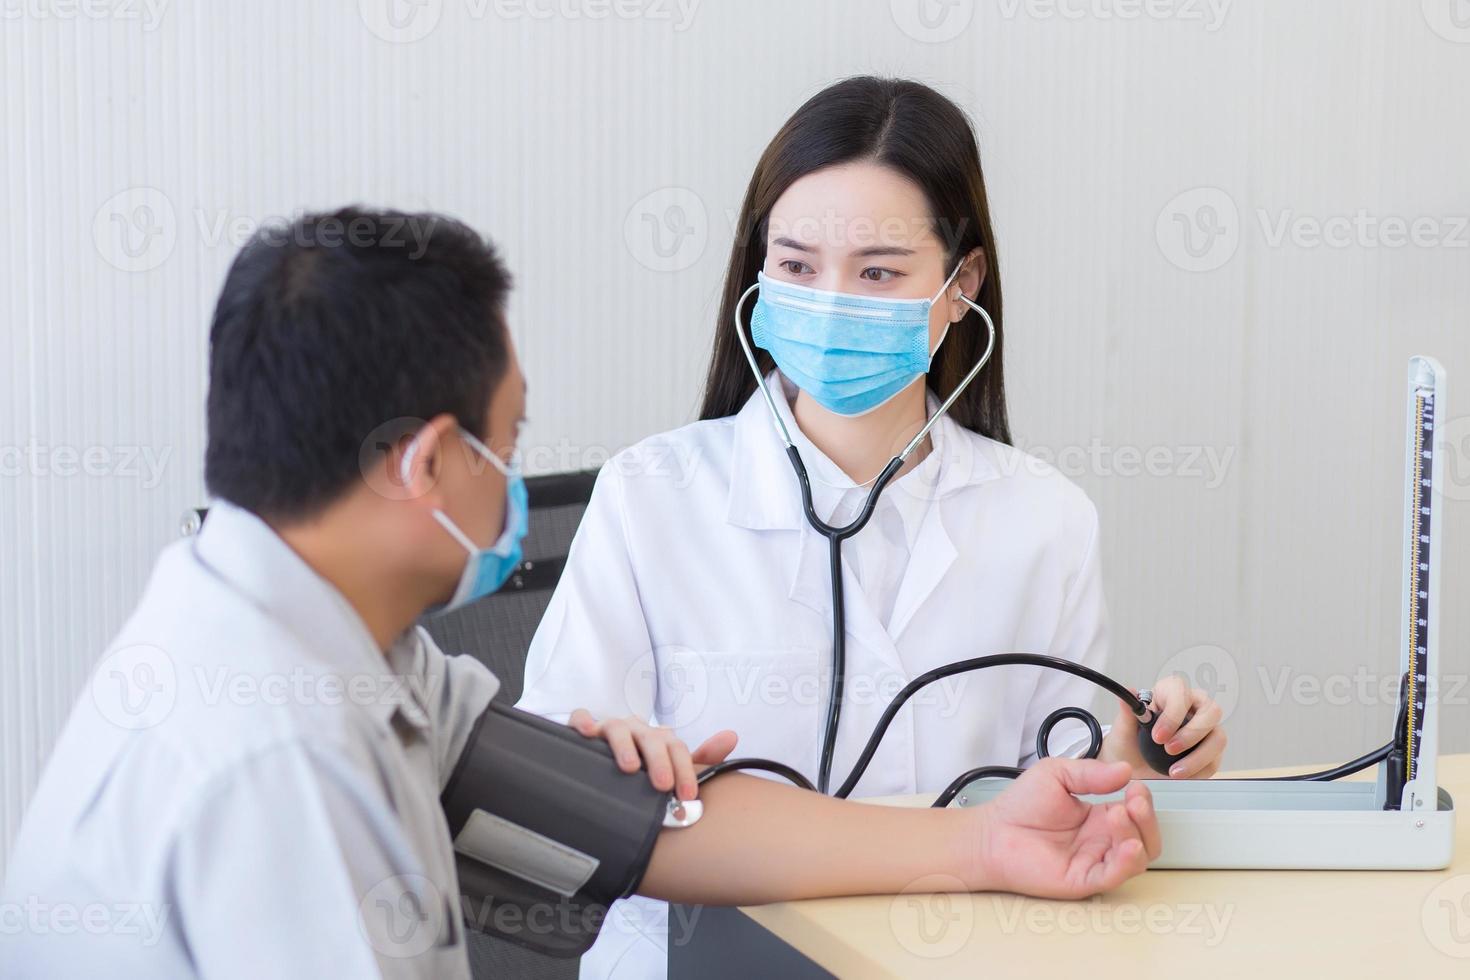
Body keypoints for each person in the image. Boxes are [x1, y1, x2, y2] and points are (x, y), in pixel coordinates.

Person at [1, 208, 1161, 979]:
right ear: (426, 462)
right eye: (510, 440)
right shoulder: (271, 753)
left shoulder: (333, 639)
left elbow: (642, 823)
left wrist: (981, 844)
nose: (517, 473)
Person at [516, 76, 1227, 978]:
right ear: (758, 274)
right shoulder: (648, 494)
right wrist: (609, 765)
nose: (833, 300)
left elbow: (1054, 800)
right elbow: (547, 817)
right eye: (797, 265)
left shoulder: (1045, 519)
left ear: (961, 282)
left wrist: (1134, 759)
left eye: (880, 271)